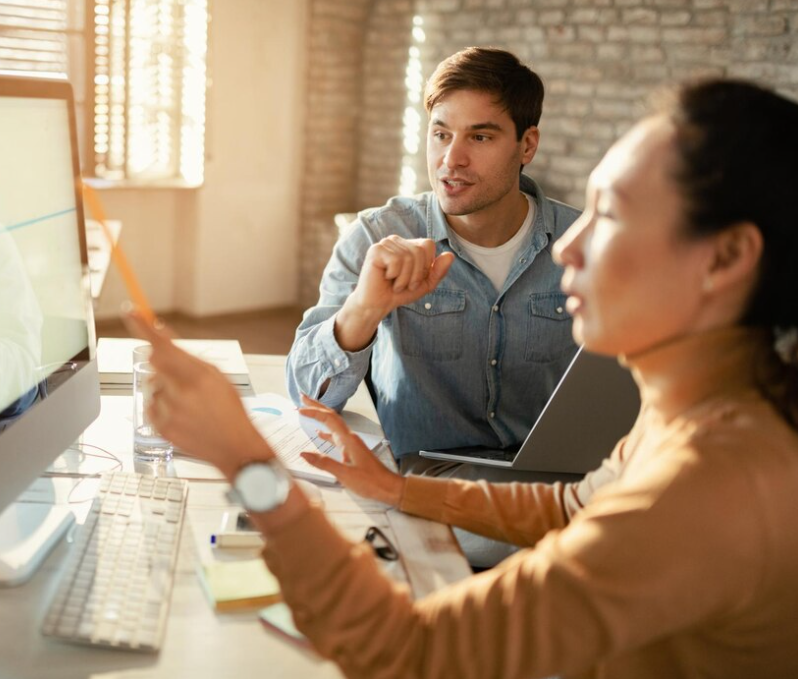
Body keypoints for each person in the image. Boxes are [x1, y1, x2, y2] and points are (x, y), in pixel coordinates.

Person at [128, 78, 798, 678]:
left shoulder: (704, 484)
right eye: (441, 133)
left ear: (727, 257)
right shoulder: (700, 410)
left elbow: (410, 652)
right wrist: (395, 486)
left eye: (613, 213)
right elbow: (572, 505)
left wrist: (247, 461)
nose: (566, 245)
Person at [286, 47, 580, 469]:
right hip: (424, 477)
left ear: (527, 145)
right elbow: (307, 397)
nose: (451, 160)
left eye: (479, 137)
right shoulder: (375, 236)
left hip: (554, 478)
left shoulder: (586, 245)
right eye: (441, 134)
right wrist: (363, 310)